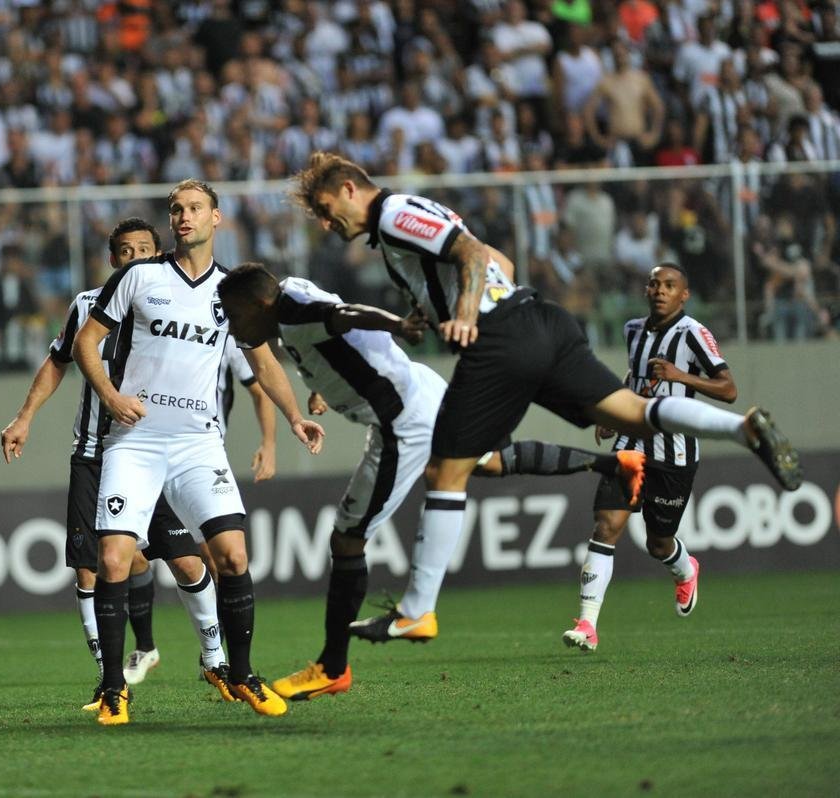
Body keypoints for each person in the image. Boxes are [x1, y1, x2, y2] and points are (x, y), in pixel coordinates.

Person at [287, 152, 802, 641]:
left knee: (446, 471)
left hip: (499, 338)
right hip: (540, 321)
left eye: (329, 213)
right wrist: (449, 306)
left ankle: (418, 610)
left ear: (349, 189)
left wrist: (466, 312)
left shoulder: (394, 213)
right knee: (635, 413)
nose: (330, 227)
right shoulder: (409, 216)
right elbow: (498, 261)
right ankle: (742, 429)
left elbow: (467, 252)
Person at [216, 265, 645, 700]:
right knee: (490, 461)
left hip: (402, 423)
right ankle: (615, 465)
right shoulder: (289, 292)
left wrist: (397, 323)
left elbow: (344, 314)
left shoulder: (293, 308)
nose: (234, 328)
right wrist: (327, 381)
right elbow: (335, 333)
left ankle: (332, 666)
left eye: (234, 316)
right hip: (422, 386)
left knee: (347, 539)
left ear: (259, 304)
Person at [71, 179, 325, 725]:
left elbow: (264, 364)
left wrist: (294, 417)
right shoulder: (139, 276)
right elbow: (84, 342)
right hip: (135, 443)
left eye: (194, 208)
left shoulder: (231, 292)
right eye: (176, 210)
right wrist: (111, 396)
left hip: (196, 444)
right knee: (114, 560)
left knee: (232, 554)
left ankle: (241, 673)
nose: (184, 217)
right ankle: (115, 689)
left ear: (217, 217)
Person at [0, 217, 276, 710]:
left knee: (190, 560)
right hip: (97, 454)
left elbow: (254, 361)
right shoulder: (90, 306)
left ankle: (214, 660)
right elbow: (58, 361)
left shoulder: (179, 298)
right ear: (113, 259)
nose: (135, 259)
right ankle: (112, 677)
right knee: (97, 568)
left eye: (145, 250)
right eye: (125, 251)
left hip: (162, 451)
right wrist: (24, 417)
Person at [564, 263, 735, 652]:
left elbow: (729, 389)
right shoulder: (633, 330)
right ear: (647, 290)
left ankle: (685, 568)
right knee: (606, 527)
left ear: (683, 295)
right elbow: (635, 378)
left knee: (660, 543)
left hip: (674, 451)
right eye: (655, 284)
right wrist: (614, 413)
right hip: (630, 443)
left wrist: (681, 376)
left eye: (670, 285)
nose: (660, 290)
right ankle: (587, 625)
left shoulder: (694, 334)